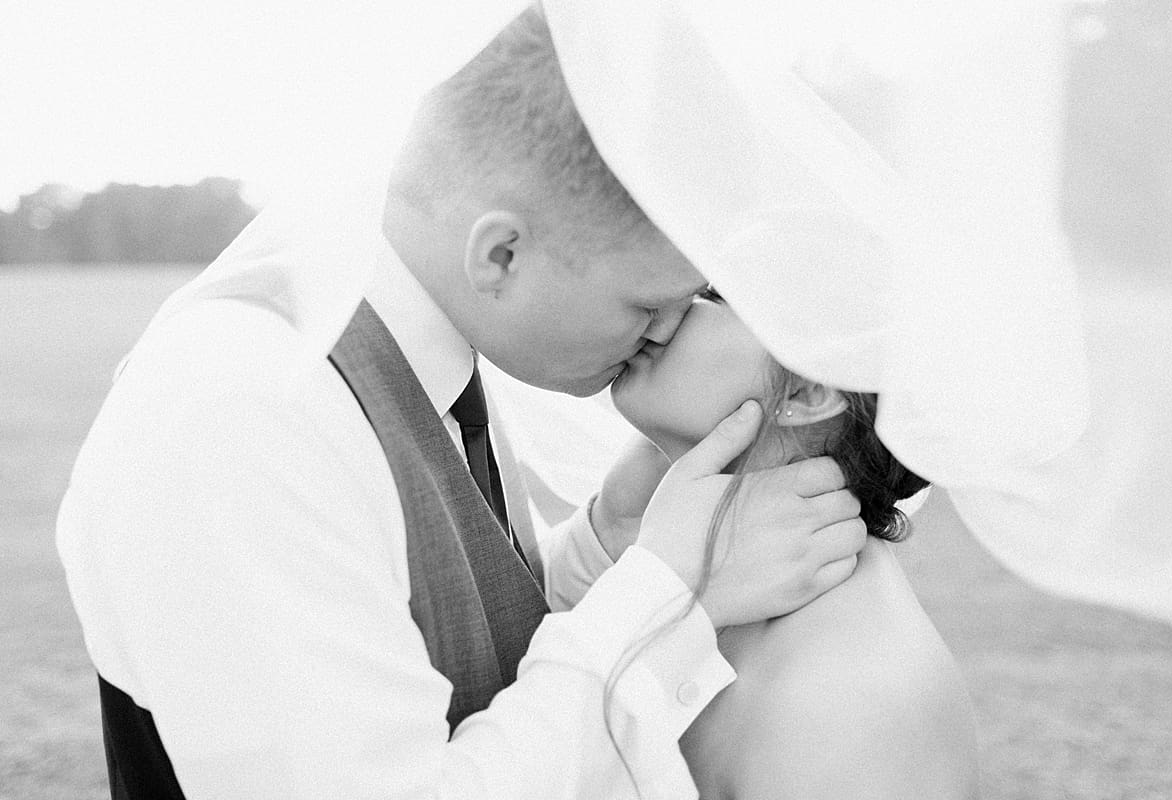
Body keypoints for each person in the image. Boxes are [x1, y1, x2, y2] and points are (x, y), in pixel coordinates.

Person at [56, 7, 868, 800]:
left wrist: (602, 544)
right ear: (502, 253)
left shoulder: (416, 344)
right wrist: (668, 598)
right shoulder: (247, 414)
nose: (665, 331)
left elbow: (438, 646)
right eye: (647, 302)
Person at [607, 286, 980, 799]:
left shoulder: (840, 704)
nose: (668, 305)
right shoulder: (680, 557)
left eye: (714, 294)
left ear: (808, 392)